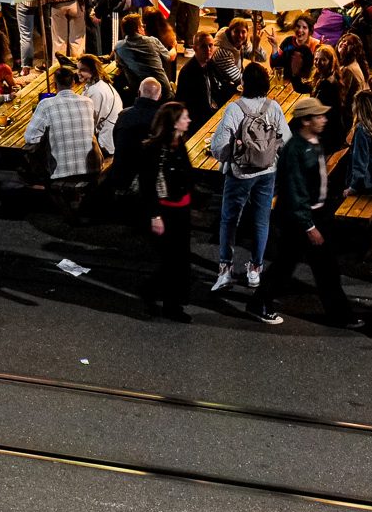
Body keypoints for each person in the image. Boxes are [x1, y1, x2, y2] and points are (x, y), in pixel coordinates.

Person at [248, 96, 360, 327]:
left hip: (314, 214)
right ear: (306, 121)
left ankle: (339, 314)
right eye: (318, 116)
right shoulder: (295, 150)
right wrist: (310, 226)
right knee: (289, 266)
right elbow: (295, 191)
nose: (323, 119)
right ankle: (259, 303)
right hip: (299, 219)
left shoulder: (313, 142)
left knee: (320, 268)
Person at [209, 61, 289, 292]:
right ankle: (255, 269)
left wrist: (228, 156)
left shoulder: (235, 109)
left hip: (240, 173)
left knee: (229, 220)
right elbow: (286, 139)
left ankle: (225, 269)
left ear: (244, 83)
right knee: (261, 220)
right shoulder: (273, 107)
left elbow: (220, 145)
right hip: (267, 172)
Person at [141, 99, 196, 322]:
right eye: (184, 117)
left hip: (181, 208)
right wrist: (155, 215)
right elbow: (148, 185)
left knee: (178, 259)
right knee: (173, 261)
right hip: (166, 211)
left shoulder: (178, 142)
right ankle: (170, 305)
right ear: (174, 122)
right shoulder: (154, 149)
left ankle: (154, 293)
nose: (188, 120)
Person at [24, 65, 99, 182]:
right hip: (92, 168)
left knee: (32, 149)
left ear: (55, 84)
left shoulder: (46, 104)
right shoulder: (88, 102)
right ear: (73, 83)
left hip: (62, 172)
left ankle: (39, 185)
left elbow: (30, 138)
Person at [114, 12, 173, 91]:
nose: (144, 28)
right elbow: (170, 57)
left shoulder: (119, 46)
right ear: (138, 29)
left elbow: (119, 65)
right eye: (142, 26)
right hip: (162, 90)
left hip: (138, 92)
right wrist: (174, 47)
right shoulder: (152, 41)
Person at [78, 53, 122, 154]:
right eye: (78, 69)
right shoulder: (99, 85)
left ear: (93, 71)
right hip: (107, 138)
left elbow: (90, 123)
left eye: (82, 70)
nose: (78, 72)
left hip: (105, 145)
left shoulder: (96, 92)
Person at [176, 30, 217, 125]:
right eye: (203, 46)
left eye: (210, 45)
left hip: (211, 114)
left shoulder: (210, 64)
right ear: (195, 49)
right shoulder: (188, 72)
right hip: (197, 121)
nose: (208, 50)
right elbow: (182, 103)